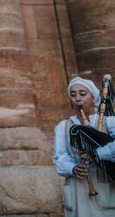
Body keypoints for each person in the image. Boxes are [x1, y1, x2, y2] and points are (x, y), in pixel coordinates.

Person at [53, 76, 115, 216]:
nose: (77, 99)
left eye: (82, 94)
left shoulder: (109, 122)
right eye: (73, 95)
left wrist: (97, 154)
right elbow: (59, 158)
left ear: (94, 98)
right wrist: (73, 168)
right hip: (78, 186)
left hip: (104, 183)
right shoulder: (64, 126)